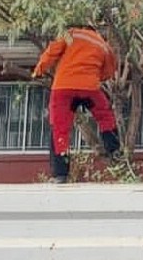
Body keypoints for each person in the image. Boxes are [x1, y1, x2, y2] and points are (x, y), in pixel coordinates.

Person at [32, 24, 122, 183]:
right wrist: (95, 76)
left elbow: (53, 51)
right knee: (105, 116)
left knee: (60, 129)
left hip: (63, 88)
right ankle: (114, 151)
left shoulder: (70, 34)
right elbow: (109, 70)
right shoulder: (103, 44)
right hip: (90, 88)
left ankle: (60, 174)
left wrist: (39, 69)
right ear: (94, 30)